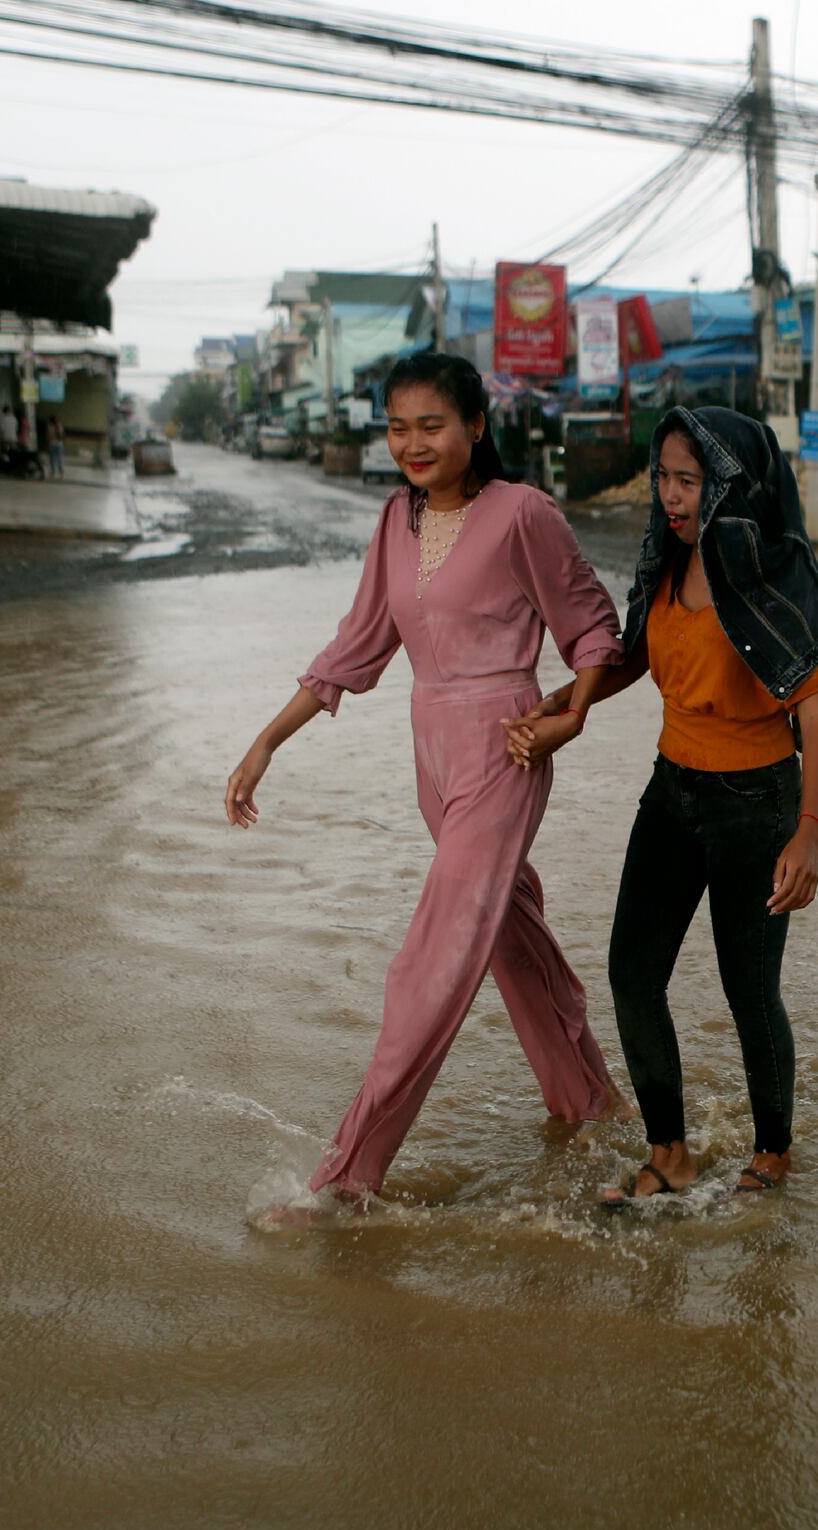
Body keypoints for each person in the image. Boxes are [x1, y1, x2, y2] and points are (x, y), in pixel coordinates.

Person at [224, 352, 630, 1208]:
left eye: (430, 425)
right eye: (397, 426)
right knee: (511, 939)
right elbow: (357, 644)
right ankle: (593, 1105)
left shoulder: (524, 513)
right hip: (432, 755)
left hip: (505, 745)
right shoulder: (394, 519)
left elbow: (594, 626)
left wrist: (575, 710)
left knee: (435, 957)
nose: (412, 443)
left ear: (477, 427)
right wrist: (266, 742)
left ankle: (347, 1174)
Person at [503, 407, 818, 1203]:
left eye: (689, 480)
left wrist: (810, 834)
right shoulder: (665, 562)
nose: (671, 496)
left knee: (748, 990)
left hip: (757, 804)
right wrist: (564, 699)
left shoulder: (776, 571)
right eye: (663, 477)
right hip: (673, 790)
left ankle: (772, 1155)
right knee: (632, 972)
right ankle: (671, 1154)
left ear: (730, 482)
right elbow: (634, 655)